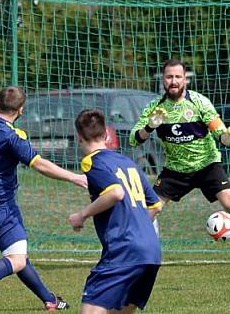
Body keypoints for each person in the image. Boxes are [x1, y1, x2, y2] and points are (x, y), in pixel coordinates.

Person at [0, 86, 87, 314]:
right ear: (20, 110)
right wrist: (75, 177)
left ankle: (49, 299)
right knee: (16, 258)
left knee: (18, 253)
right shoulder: (13, 137)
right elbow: (39, 164)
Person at [129, 58, 230, 264]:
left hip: (207, 165)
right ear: (163, 80)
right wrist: (150, 127)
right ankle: (152, 254)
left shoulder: (199, 102)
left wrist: (228, 138)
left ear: (185, 80)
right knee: (150, 210)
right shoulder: (155, 108)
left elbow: (221, 133)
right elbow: (134, 140)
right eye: (169, 77)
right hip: (176, 170)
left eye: (178, 77)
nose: (173, 81)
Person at [68, 109, 162, 314]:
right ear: (105, 135)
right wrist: (138, 230)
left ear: (79, 138)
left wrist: (81, 215)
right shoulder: (128, 162)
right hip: (151, 251)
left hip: (124, 251)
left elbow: (116, 193)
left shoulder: (92, 161)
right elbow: (155, 205)